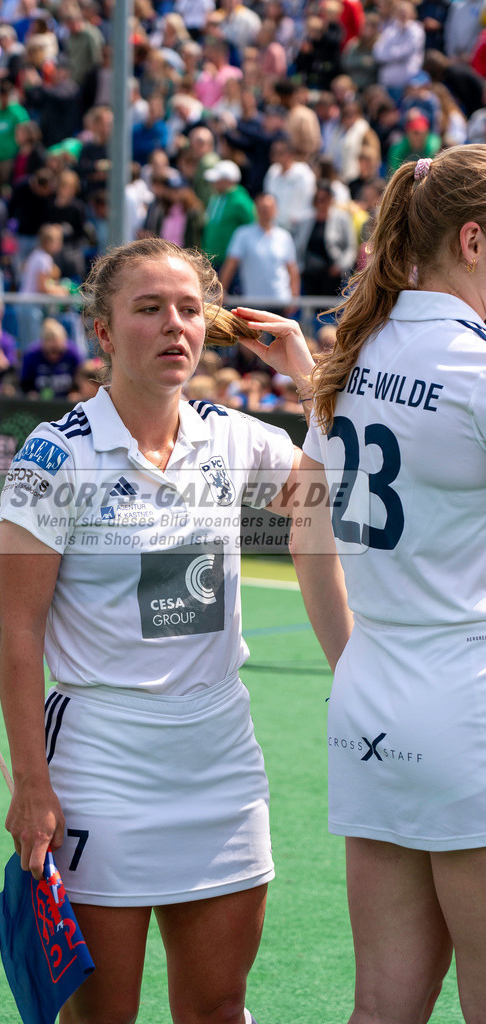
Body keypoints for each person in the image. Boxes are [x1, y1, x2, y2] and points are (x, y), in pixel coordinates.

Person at [0, 237, 347, 1024]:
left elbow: (337, 498)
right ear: (106, 334)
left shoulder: (231, 435)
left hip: (221, 758)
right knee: (104, 1017)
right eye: (148, 309)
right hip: (100, 765)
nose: (174, 327)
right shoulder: (54, 458)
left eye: (189, 309)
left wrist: (303, 371)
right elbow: (18, 633)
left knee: (219, 1009)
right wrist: (30, 782)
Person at [286, 146, 486, 1023]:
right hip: (469, 697)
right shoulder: (473, 369)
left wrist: (350, 666)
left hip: (370, 694)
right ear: (473, 242)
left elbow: (303, 531)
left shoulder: (348, 360)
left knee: (381, 1006)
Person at [219, 193, 300, 308]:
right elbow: (231, 264)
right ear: (255, 210)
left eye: (268, 209)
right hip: (253, 303)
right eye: (262, 208)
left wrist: (294, 298)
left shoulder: (284, 236)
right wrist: (222, 291)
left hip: (280, 302)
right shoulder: (243, 234)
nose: (265, 212)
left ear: (276, 210)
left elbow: (292, 270)